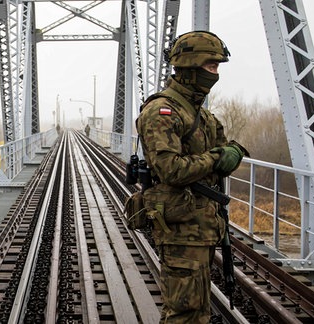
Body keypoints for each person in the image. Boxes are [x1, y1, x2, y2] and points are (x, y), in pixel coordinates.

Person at [136, 31, 248, 323]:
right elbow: (170, 169)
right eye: (211, 66)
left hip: (204, 226)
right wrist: (216, 157)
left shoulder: (204, 115)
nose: (215, 74)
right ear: (190, 65)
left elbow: (228, 150)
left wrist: (230, 154)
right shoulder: (162, 112)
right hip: (181, 228)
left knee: (198, 311)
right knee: (184, 314)